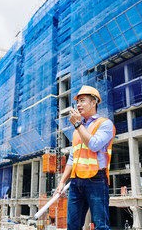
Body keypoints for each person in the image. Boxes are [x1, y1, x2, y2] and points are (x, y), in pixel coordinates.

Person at [54, 85, 116, 230]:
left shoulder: (104, 124)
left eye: (82, 101)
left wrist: (77, 124)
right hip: (76, 182)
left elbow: (94, 145)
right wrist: (62, 182)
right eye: (77, 102)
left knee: (101, 225)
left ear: (93, 102)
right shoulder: (78, 130)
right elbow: (72, 158)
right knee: (73, 225)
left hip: (96, 180)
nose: (78, 105)